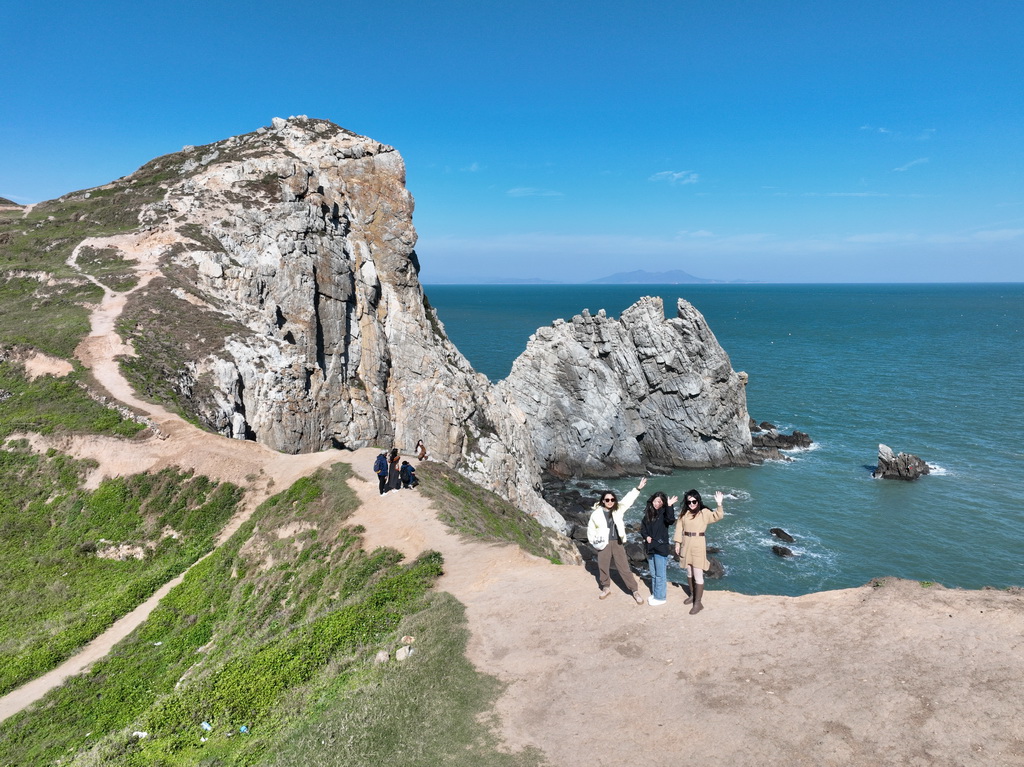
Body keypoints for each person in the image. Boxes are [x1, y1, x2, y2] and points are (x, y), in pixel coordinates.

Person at [586, 477, 647, 604]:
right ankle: (606, 587)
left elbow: (628, 500)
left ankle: (634, 590)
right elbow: (591, 530)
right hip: (604, 543)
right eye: (607, 499)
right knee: (603, 566)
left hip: (617, 542)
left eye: (612, 499)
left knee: (624, 567)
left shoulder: (618, 509)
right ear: (603, 500)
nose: (610, 501)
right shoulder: (596, 514)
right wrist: (594, 543)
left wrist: (637, 489)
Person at [673, 489, 724, 615]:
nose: (691, 504)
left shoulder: (704, 513)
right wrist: (677, 543)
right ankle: (692, 595)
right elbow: (679, 529)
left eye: (694, 501)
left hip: (698, 544)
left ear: (698, 500)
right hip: (686, 543)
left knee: (698, 572)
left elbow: (718, 516)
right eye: (689, 502)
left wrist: (719, 504)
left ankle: (698, 603)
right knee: (689, 571)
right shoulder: (684, 514)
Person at [640, 491, 678, 606]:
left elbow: (670, 520)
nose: (657, 504)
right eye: (656, 501)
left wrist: (670, 506)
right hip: (650, 547)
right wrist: (646, 537)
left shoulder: (665, 512)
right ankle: (656, 593)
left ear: (663, 503)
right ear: (652, 501)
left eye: (660, 502)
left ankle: (661, 597)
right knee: (653, 572)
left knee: (660, 574)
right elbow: (643, 528)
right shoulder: (649, 513)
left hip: (661, 547)